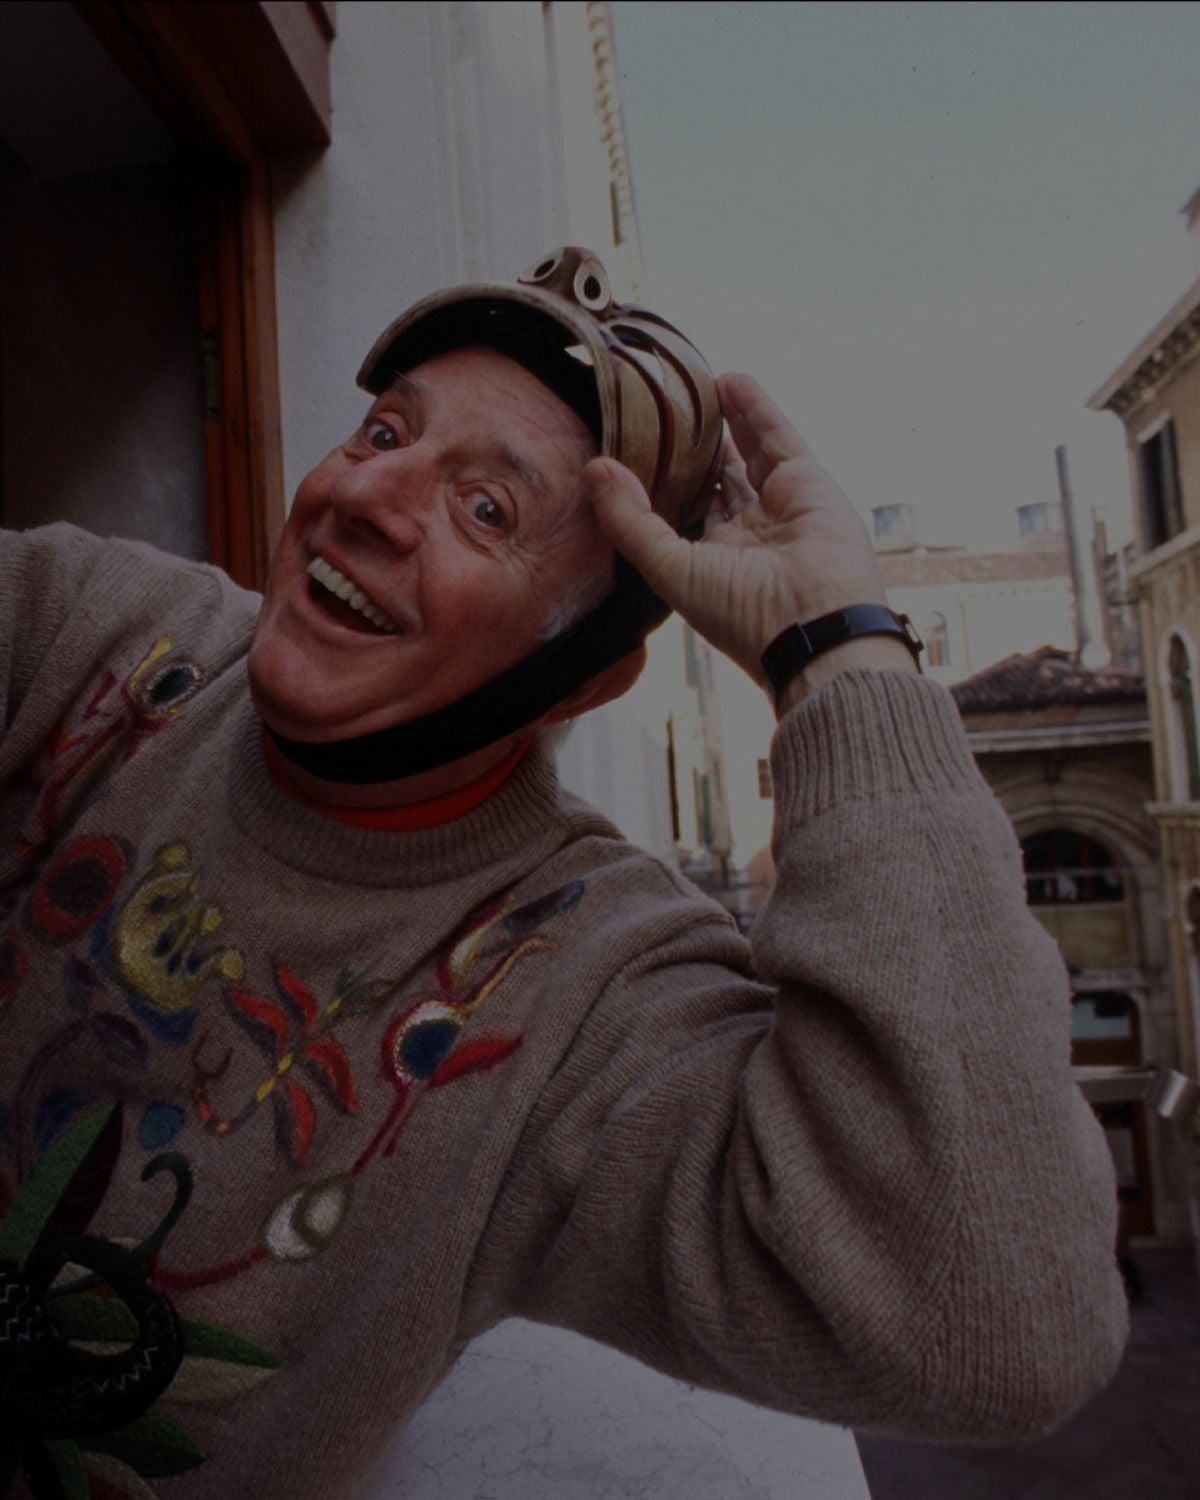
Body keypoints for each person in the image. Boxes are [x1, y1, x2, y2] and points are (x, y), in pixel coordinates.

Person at [0, 247, 1126, 1500]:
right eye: (384, 433)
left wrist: (838, 652)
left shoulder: (589, 995)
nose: (367, 494)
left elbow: (1001, 1314)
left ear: (582, 677)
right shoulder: (86, 632)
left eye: (487, 510)